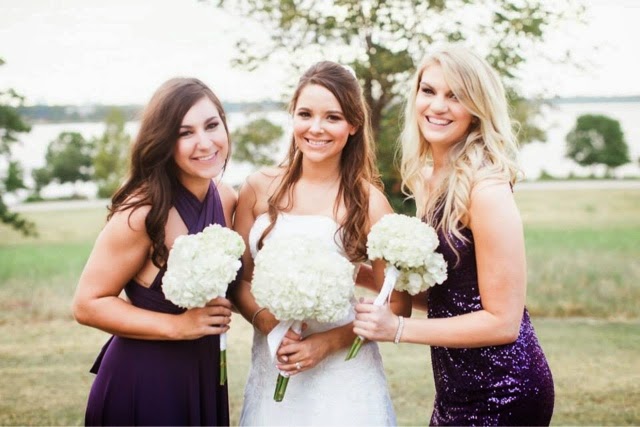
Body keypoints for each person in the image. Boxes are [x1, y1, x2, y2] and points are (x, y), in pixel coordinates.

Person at [354, 45, 555, 426]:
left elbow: (502, 321)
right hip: (454, 388)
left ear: (477, 108)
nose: (437, 106)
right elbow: (451, 299)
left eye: (455, 96)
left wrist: (397, 329)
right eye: (428, 91)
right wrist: (364, 274)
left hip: (505, 388)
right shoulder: (427, 179)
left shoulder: (486, 188)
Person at [230, 61, 411, 425]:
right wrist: (269, 324)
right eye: (305, 114)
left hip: (344, 380)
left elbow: (397, 304)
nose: (316, 128)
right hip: (273, 369)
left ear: (353, 124)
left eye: (332, 117)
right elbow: (240, 281)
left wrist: (327, 343)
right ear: (293, 116)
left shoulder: (370, 203)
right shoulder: (257, 187)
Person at [72, 77, 237, 426]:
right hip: (145, 381)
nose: (205, 142)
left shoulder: (226, 197)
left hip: (203, 372)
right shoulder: (143, 212)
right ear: (164, 141)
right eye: (185, 133)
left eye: (211, 125)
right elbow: (87, 304)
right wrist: (179, 326)